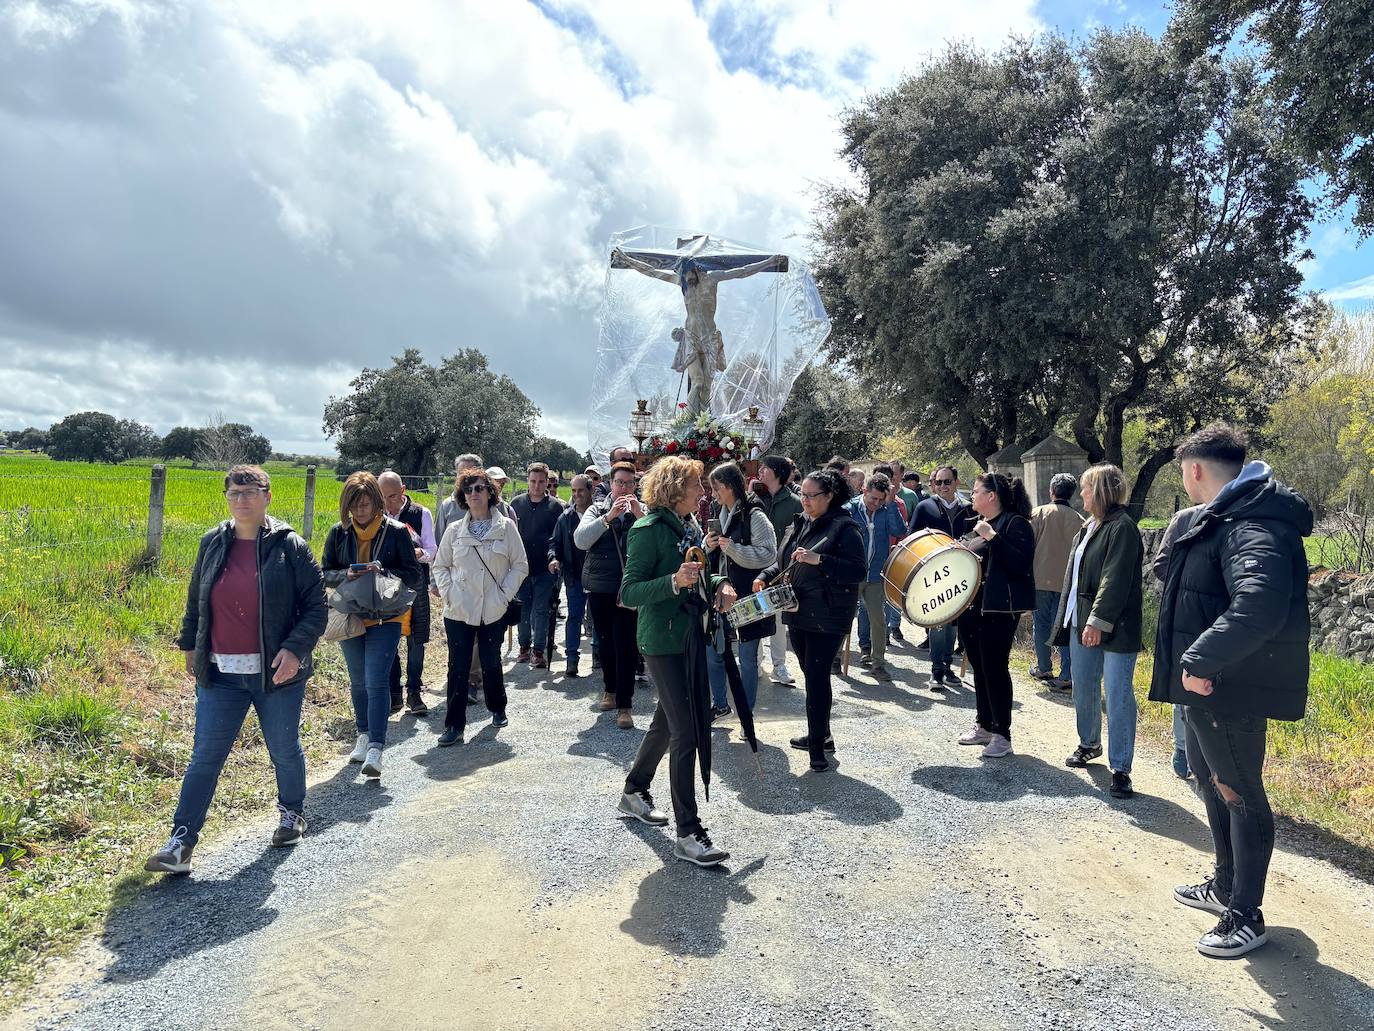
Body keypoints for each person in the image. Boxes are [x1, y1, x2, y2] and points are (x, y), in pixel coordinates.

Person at [1149, 425, 1312, 959]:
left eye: (1182, 472)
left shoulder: (1253, 521)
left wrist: (1199, 658)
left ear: (1194, 470)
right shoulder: (1224, 516)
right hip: (1207, 690)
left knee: (1239, 791)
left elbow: (1259, 603)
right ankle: (1223, 887)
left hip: (1230, 687)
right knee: (1210, 780)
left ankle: (1247, 915)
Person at [145, 466, 327, 874]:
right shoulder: (212, 542)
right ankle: (181, 843)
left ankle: (292, 813)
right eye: (234, 492)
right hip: (220, 674)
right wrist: (190, 644)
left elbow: (317, 607)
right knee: (205, 756)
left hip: (276, 674)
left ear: (268, 496)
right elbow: (196, 598)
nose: (241, 499)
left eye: (250, 491)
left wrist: (295, 650)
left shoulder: (290, 546)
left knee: (283, 747)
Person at [617, 455, 736, 866]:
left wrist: (720, 585)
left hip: (686, 637)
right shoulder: (647, 530)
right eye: (696, 486)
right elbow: (628, 592)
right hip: (661, 642)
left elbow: (698, 574)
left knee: (667, 721)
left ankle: (634, 790)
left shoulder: (688, 526)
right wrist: (672, 581)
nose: (703, 493)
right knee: (686, 730)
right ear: (674, 488)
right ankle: (688, 832)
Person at [756, 468, 865, 772]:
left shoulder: (846, 528)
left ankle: (817, 748)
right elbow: (784, 560)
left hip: (828, 614)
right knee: (811, 675)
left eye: (811, 495)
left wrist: (821, 560)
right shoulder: (800, 523)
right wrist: (765, 576)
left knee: (816, 679)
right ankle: (822, 734)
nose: (804, 500)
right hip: (799, 611)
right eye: (802, 494)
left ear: (829, 496)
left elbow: (858, 571)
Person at [321, 472, 424, 779]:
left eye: (365, 504)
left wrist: (383, 572)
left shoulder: (395, 531)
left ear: (377, 503)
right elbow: (325, 572)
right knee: (358, 681)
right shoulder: (338, 533)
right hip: (351, 613)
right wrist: (347, 575)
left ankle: (377, 748)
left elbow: (413, 574)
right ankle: (363, 735)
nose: (360, 511)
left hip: (387, 615)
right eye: (354, 505)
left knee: (376, 679)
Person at [1054, 465, 1144, 799]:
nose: (1081, 495)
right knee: (1084, 688)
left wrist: (1097, 621)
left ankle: (1121, 769)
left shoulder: (1122, 528)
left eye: (1086, 488)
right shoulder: (1088, 526)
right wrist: (1075, 619)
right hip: (1082, 622)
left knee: (1118, 695)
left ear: (1101, 490)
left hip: (1113, 626)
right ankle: (1089, 743)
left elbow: (1114, 579)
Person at [432, 467, 528, 745]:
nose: (473, 493)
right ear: (463, 496)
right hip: (459, 610)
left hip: (493, 609)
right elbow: (441, 566)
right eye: (468, 489)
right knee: (458, 667)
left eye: (479, 488)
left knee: (489, 662)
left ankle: (497, 707)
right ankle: (454, 726)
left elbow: (519, 565)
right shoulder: (453, 530)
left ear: (489, 493)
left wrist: (503, 596)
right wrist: (450, 594)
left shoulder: (506, 528)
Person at [955, 473, 1035, 758]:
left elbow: (1021, 564)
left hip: (998, 610)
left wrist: (994, 538)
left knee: (995, 668)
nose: (972, 496)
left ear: (992, 496)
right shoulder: (978, 525)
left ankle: (1003, 734)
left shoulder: (1015, 524)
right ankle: (985, 724)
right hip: (972, 608)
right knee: (980, 667)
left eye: (976, 491)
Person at [703, 461, 777, 718]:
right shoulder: (719, 510)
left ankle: (747, 713)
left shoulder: (755, 515)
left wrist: (732, 548)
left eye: (715, 489)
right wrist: (708, 544)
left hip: (747, 597)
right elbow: (710, 551)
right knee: (713, 650)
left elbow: (769, 555)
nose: (713, 495)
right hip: (719, 593)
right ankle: (721, 705)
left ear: (727, 487)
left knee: (747, 656)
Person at [576, 461, 644, 728]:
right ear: (610, 484)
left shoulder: (643, 510)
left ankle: (625, 706)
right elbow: (580, 540)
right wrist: (608, 518)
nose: (624, 487)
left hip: (630, 588)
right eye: (620, 482)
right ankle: (610, 690)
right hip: (601, 587)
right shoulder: (596, 509)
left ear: (635, 485)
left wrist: (640, 515)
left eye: (629, 483)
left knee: (626, 645)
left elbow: (656, 536)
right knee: (604, 642)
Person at [909, 466, 974, 687]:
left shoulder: (970, 509)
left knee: (954, 623)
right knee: (938, 623)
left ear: (956, 482)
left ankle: (947, 665)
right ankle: (937, 670)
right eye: (938, 483)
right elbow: (912, 540)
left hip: (962, 574)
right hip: (934, 574)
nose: (942, 486)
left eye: (947, 482)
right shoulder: (924, 507)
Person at [379, 471, 437, 716]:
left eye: (392, 496)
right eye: (383, 498)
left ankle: (414, 692)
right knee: (387, 639)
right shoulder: (376, 515)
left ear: (403, 490)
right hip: (386, 585)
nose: (388, 504)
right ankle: (394, 694)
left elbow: (432, 549)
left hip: (415, 584)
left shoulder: (420, 513)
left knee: (416, 640)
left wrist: (418, 554)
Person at [1152, 504, 1204, 780]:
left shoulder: (1244, 514)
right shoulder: (1184, 518)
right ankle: (1183, 750)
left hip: (1225, 622)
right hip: (1187, 617)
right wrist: (1195, 584)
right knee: (1184, 685)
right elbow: (1161, 565)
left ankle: (1207, 756)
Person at [843, 473, 907, 682]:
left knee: (879, 620)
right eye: (873, 499)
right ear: (864, 491)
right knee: (843, 617)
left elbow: (899, 530)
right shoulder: (850, 509)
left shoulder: (886, 509)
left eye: (881, 499)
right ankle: (835, 657)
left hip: (876, 574)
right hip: (853, 573)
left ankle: (878, 663)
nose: (876, 503)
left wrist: (890, 505)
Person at [1029, 472, 1083, 691]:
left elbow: (1027, 543)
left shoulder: (1038, 513)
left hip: (1040, 579)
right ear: (1072, 493)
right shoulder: (1079, 520)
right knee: (1064, 628)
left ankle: (1043, 667)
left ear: (1051, 491)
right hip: (1067, 584)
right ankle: (1067, 674)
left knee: (1040, 625)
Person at [510, 462, 565, 669]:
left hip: (545, 568)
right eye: (533, 481)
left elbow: (558, 538)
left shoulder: (555, 507)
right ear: (527, 481)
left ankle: (538, 650)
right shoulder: (516, 505)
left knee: (541, 609)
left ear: (547, 482)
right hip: (521, 567)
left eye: (541, 481)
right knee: (523, 608)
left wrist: (555, 559)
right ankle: (524, 647)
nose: (536, 485)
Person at [754, 455, 802, 685]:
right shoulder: (754, 498)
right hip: (753, 567)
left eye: (766, 468)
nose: (761, 471)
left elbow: (799, 536)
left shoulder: (795, 502)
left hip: (782, 570)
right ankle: (755, 662)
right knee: (754, 615)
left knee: (779, 620)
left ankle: (779, 666)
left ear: (778, 474)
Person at [550, 474, 598, 678]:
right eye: (573, 491)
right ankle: (571, 659)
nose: (576, 495)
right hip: (574, 576)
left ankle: (598, 657)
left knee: (597, 618)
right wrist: (554, 558)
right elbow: (555, 543)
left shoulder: (600, 514)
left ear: (591, 491)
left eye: (581, 491)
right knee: (574, 617)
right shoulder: (565, 518)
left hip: (598, 577)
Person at [436, 453, 483, 546]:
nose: (465, 478)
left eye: (470, 473)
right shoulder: (447, 506)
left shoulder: (496, 504)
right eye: (461, 473)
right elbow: (438, 542)